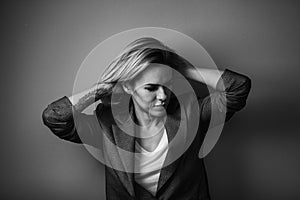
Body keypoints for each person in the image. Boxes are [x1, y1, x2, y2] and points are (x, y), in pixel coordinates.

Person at [42, 37, 251, 200]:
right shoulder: (107, 123)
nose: (163, 96)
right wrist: (102, 89)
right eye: (151, 88)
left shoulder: (191, 113)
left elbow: (237, 87)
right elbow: (55, 117)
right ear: (128, 86)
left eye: (167, 85)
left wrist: (181, 67)